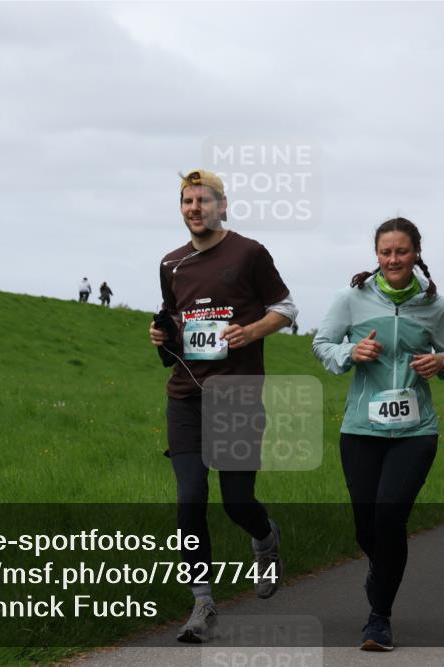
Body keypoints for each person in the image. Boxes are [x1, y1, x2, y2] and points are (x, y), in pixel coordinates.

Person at [148, 169, 298, 643]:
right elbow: (178, 325)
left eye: (203, 200)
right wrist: (162, 335)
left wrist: (250, 332)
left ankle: (266, 537)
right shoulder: (170, 264)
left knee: (237, 502)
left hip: (236, 393)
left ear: (222, 205)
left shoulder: (249, 253)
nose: (195, 208)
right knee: (190, 499)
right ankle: (202, 603)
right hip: (186, 396)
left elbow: (288, 308)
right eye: (187, 201)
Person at [312, 217, 444, 651]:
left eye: (401, 251)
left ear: (417, 252)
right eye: (385, 252)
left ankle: (379, 618)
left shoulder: (437, 305)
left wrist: (442, 364)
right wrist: (350, 351)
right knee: (368, 526)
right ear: (376, 255)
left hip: (416, 430)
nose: (393, 259)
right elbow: (322, 344)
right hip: (362, 428)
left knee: (390, 515)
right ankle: (384, 567)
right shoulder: (352, 298)